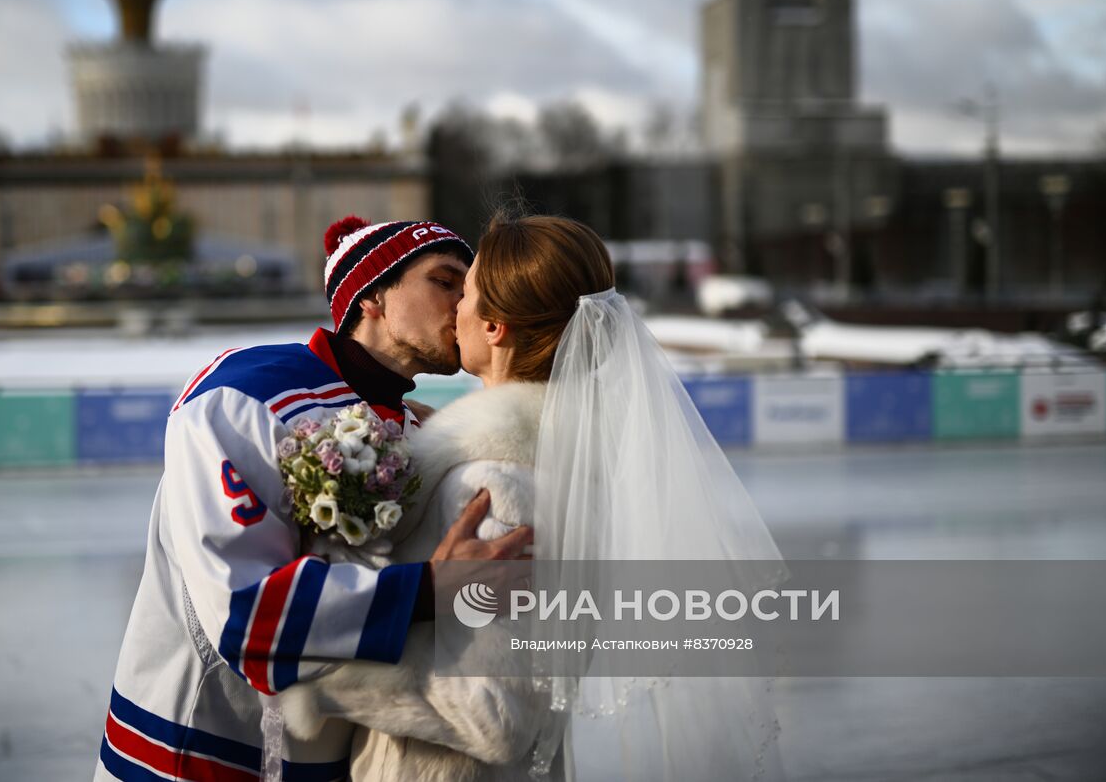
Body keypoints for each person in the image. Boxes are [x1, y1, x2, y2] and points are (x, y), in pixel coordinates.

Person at [280, 214, 785, 780]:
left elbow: (496, 719)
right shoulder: (551, 462)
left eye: (463, 292)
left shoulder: (496, 488)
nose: (454, 310)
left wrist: (325, 678)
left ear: (495, 327)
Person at [94, 216, 534, 782]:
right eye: (445, 281)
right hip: (189, 756)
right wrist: (430, 587)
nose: (464, 304)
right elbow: (244, 616)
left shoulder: (418, 430)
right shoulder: (245, 393)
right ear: (373, 294)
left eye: (466, 288)